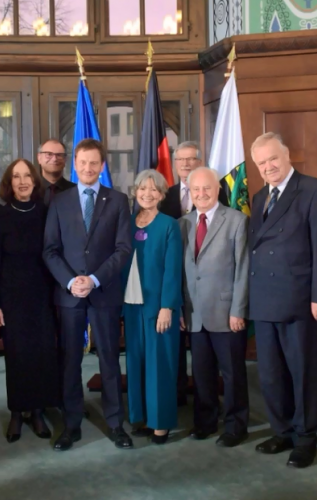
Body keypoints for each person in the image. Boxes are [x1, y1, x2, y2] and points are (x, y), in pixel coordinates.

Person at [248, 132, 317, 469]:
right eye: (261, 163)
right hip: (265, 301)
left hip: (302, 301)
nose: (268, 166)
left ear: (287, 155)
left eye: (273, 158)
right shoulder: (259, 197)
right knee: (270, 374)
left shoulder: (314, 191)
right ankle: (281, 430)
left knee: (302, 373)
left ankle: (305, 437)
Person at [43, 138, 133, 452]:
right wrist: (72, 282)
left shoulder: (118, 200)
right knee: (70, 361)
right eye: (82, 163)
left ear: (102, 166)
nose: (88, 168)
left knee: (109, 359)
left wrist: (93, 279)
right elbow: (50, 250)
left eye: (94, 163)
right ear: (75, 165)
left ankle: (115, 424)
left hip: (104, 292)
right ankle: (71, 426)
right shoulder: (59, 201)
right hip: (69, 296)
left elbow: (123, 249)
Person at [0, 158, 61, 443]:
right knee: (17, 358)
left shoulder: (47, 213)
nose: (22, 181)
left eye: (26, 176)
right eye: (16, 177)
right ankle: (18, 413)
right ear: (9, 183)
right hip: (11, 301)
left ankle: (38, 412)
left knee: (42, 355)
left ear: (35, 180)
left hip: (43, 298)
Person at [180, 167, 250, 448]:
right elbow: (183, 273)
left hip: (226, 312)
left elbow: (243, 268)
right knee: (202, 372)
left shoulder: (236, 221)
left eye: (207, 188)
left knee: (232, 373)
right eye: (196, 190)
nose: (201, 194)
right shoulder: (182, 223)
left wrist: (238, 310)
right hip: (194, 313)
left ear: (218, 189)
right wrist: (182, 310)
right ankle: (205, 422)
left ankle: (236, 425)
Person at [159, 141, 228, 407]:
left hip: (211, 292)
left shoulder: (217, 194)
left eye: (192, 159)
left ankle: (212, 403)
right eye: (181, 160)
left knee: (208, 358)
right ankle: (178, 397)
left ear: (200, 162)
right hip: (177, 287)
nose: (186, 164)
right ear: (174, 164)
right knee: (176, 351)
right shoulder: (164, 195)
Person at [122, 170, 183, 445]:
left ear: (161, 194)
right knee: (135, 362)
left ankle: (160, 423)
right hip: (131, 305)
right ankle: (142, 417)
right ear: (135, 192)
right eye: (143, 189)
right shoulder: (126, 223)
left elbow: (173, 270)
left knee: (160, 366)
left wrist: (167, 307)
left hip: (158, 307)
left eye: (154, 190)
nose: (147, 194)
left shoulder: (169, 225)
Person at [38, 139, 76, 206]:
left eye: (59, 155)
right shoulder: (30, 190)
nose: (54, 159)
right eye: (49, 154)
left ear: (65, 159)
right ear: (39, 158)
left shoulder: (76, 192)